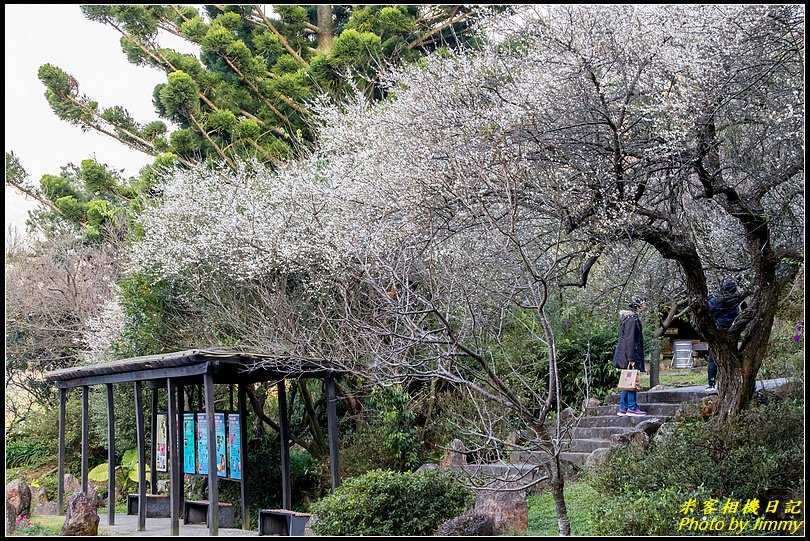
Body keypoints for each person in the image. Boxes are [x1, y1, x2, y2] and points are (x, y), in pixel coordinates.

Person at [612, 293, 647, 416]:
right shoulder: (632, 319)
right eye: (643, 303)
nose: (645, 306)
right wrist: (631, 358)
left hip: (625, 354)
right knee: (632, 380)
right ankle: (631, 407)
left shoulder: (628, 318)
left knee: (627, 380)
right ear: (638, 305)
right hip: (630, 355)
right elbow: (630, 339)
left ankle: (623, 407)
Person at [705, 278, 742, 393]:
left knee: (713, 359)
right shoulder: (736, 301)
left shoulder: (718, 300)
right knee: (731, 357)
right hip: (732, 332)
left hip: (718, 331)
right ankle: (733, 382)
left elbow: (709, 308)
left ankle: (711, 384)